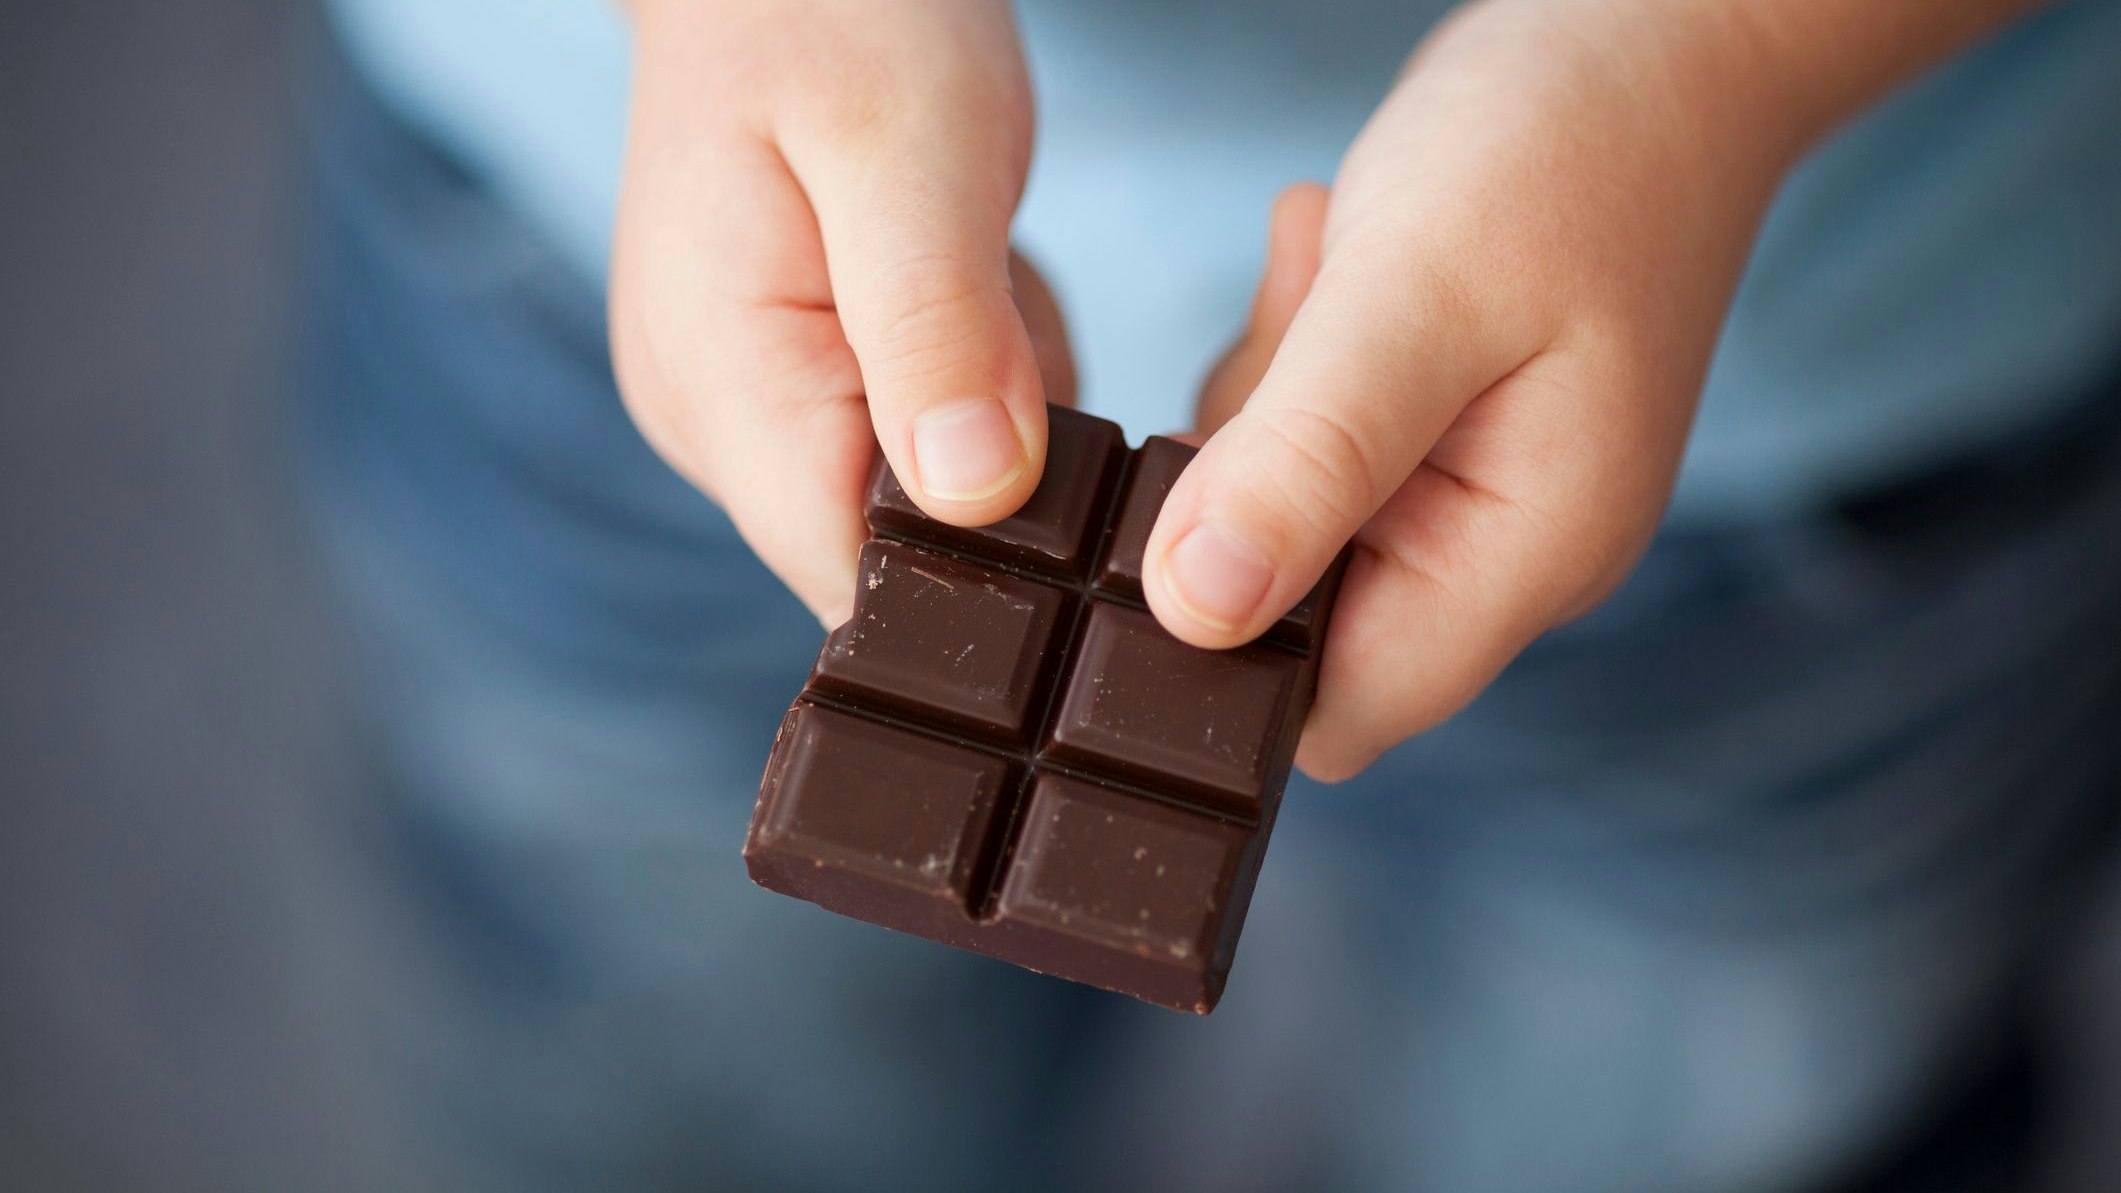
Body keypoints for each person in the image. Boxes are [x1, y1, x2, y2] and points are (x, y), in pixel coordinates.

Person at [301, 0, 2121, 1189]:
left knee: (1686, 1120)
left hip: (1824, 410)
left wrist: (1699, 60)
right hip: (625, 225)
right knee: (691, 1064)